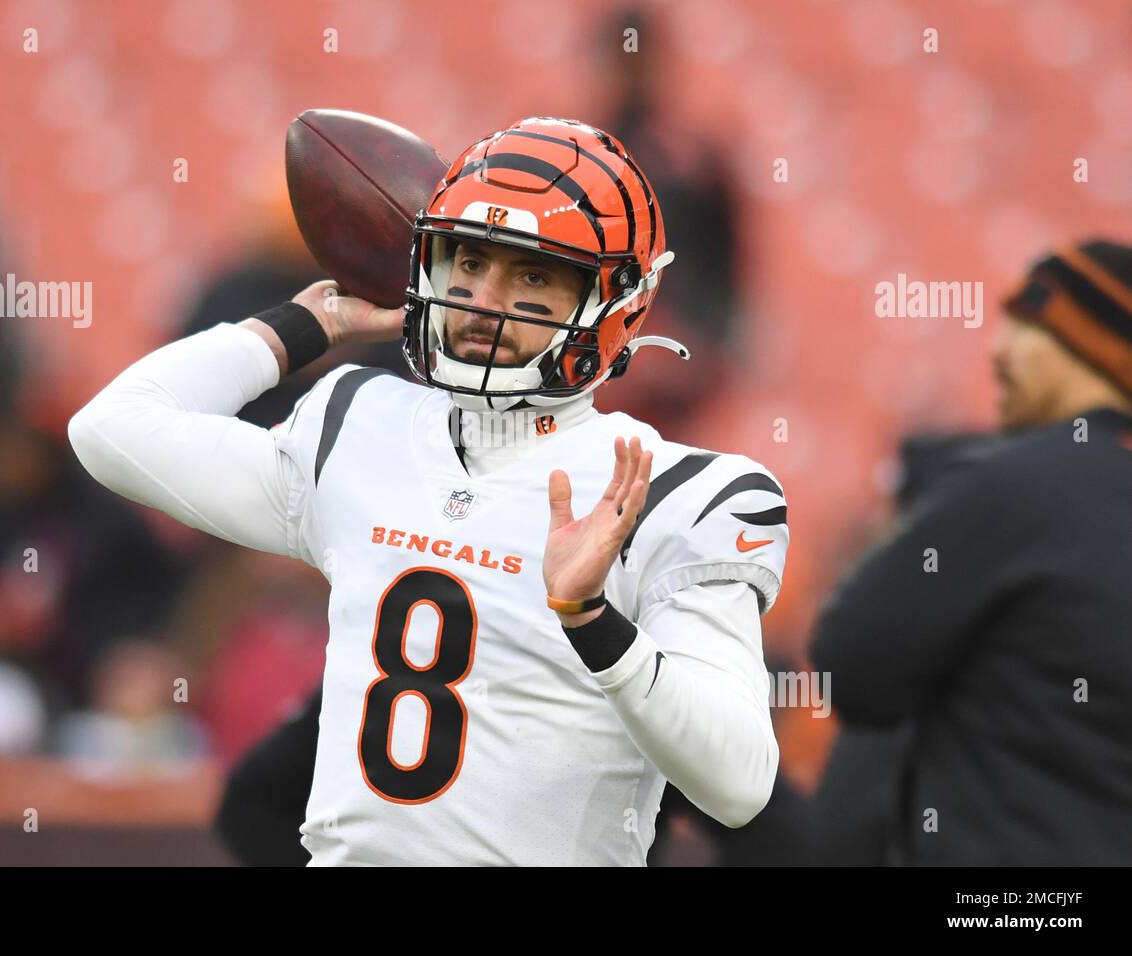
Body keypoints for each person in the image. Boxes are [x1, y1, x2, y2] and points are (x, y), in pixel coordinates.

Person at [69, 117, 789, 866]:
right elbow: (112, 430)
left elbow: (739, 782)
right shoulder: (358, 422)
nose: (484, 299)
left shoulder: (675, 490)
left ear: (617, 301)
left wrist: (594, 621)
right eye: (468, 262)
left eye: (534, 275)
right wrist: (312, 322)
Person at [810, 240, 1132, 865]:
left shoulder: (1025, 479)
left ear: (1084, 344)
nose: (997, 350)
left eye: (1025, 323)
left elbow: (851, 666)